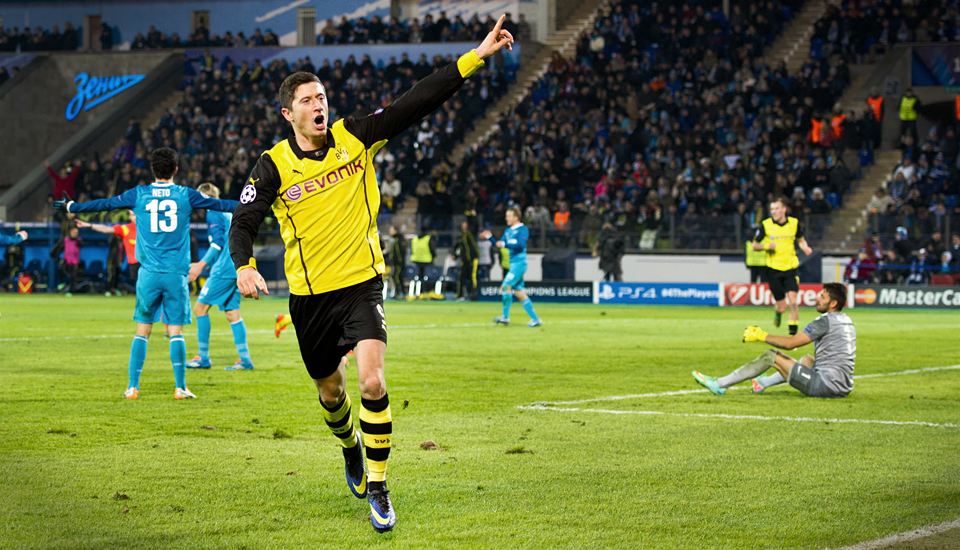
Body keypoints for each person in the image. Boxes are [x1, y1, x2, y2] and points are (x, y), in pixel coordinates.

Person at [226, 16, 515, 533]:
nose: (319, 105)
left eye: (322, 97)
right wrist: (243, 266)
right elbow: (243, 221)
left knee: (373, 380)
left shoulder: (354, 137)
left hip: (362, 283)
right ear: (288, 113)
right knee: (331, 393)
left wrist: (476, 56)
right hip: (310, 297)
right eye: (308, 100)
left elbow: (415, 101)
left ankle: (379, 488)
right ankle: (350, 447)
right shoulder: (273, 166)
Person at [53, 148, 238, 400]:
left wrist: (73, 206)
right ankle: (180, 388)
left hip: (148, 274)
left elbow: (105, 204)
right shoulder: (186, 194)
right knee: (175, 331)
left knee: (143, 330)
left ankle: (132, 387)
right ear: (175, 169)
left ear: (152, 169)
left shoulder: (138, 194)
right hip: (176, 274)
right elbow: (223, 204)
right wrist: (262, 204)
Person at [692, 283, 856, 398]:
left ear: (833, 303)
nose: (818, 299)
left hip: (826, 387)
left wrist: (761, 335)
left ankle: (720, 384)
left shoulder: (824, 321)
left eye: (822, 297)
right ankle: (762, 383)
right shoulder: (846, 320)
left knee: (771, 355)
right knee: (807, 360)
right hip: (843, 386)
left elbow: (790, 344)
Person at [184, 183, 253, 371]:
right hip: (236, 266)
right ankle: (245, 360)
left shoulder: (213, 212)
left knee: (200, 309)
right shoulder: (227, 212)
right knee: (232, 313)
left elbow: (217, 244)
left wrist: (200, 265)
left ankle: (203, 357)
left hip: (224, 268)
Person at [752, 197, 813, 336]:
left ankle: (793, 339)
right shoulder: (766, 225)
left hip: (791, 268)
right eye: (772, 209)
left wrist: (806, 247)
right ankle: (778, 312)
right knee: (783, 307)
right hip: (773, 270)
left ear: (784, 209)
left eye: (776, 208)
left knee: (793, 302)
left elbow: (801, 240)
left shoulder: (794, 223)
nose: (774, 211)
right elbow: (754, 245)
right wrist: (767, 246)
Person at [480, 206, 542, 327]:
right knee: (519, 292)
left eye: (509, 216)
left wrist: (505, 244)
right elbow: (499, 244)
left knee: (505, 286)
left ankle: (505, 316)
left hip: (520, 263)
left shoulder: (522, 229)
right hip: (513, 264)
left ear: (516, 217)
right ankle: (535, 319)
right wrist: (490, 237)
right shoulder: (508, 231)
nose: (506, 218)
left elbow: (520, 245)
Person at [75, 210, 138, 295]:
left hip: (149, 264)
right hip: (134, 265)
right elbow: (106, 229)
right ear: (129, 217)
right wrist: (90, 225)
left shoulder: (149, 229)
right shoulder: (125, 229)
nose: (135, 217)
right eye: (133, 215)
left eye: (137, 214)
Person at [451, 220, 479, 300]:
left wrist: (473, 217)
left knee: (473, 277)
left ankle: (474, 295)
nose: (464, 227)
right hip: (464, 260)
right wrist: (454, 254)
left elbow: (476, 225)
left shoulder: (471, 234)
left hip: (472, 259)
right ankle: (460, 295)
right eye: (462, 225)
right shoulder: (460, 236)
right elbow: (456, 246)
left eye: (465, 225)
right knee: (461, 277)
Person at [386, 226, 406, 300]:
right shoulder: (394, 239)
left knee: (397, 277)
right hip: (394, 263)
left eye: (391, 230)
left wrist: (399, 261)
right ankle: (401, 293)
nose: (390, 232)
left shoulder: (398, 240)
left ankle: (400, 293)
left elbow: (399, 252)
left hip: (398, 263)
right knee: (398, 277)